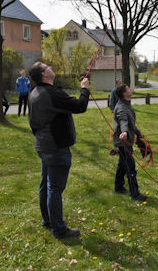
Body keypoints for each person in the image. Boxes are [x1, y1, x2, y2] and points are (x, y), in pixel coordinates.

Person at [28, 62, 90, 239]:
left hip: (42, 146)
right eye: (47, 66)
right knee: (54, 189)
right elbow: (80, 106)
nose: (50, 67)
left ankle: (48, 221)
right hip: (56, 149)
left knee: (46, 186)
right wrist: (84, 88)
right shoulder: (52, 94)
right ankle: (59, 229)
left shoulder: (33, 93)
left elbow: (32, 123)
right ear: (44, 74)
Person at [112, 83, 147, 202]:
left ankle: (118, 187)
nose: (130, 89)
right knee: (130, 166)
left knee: (123, 164)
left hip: (126, 140)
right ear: (123, 93)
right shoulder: (121, 107)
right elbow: (123, 120)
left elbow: (130, 122)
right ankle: (135, 194)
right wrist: (125, 132)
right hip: (123, 141)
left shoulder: (126, 104)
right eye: (127, 89)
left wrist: (137, 132)